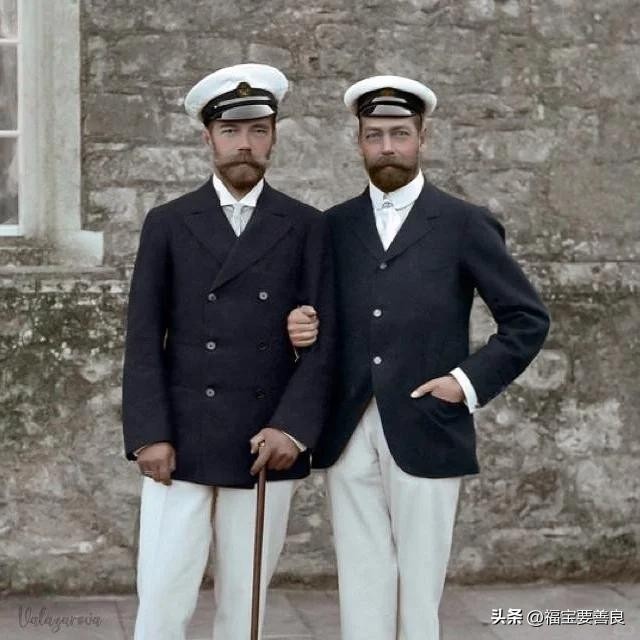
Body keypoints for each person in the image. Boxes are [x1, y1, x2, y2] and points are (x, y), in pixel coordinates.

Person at [287, 75, 550, 640]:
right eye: (375, 135)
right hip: (348, 426)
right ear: (358, 141)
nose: (388, 147)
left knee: (419, 588)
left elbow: (527, 320)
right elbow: (313, 314)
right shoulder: (332, 226)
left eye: (400, 134)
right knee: (361, 577)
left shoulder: (464, 223)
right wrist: (298, 325)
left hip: (429, 421)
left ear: (422, 138)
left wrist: (464, 383)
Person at [122, 63, 334, 640]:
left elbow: (326, 342)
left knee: (245, 605)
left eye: (258, 130)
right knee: (162, 595)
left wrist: (291, 429)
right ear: (208, 138)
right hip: (180, 441)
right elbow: (144, 337)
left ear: (274, 137)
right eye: (231, 131)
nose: (245, 144)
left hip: (264, 443)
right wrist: (148, 434)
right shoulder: (167, 223)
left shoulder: (306, 225)